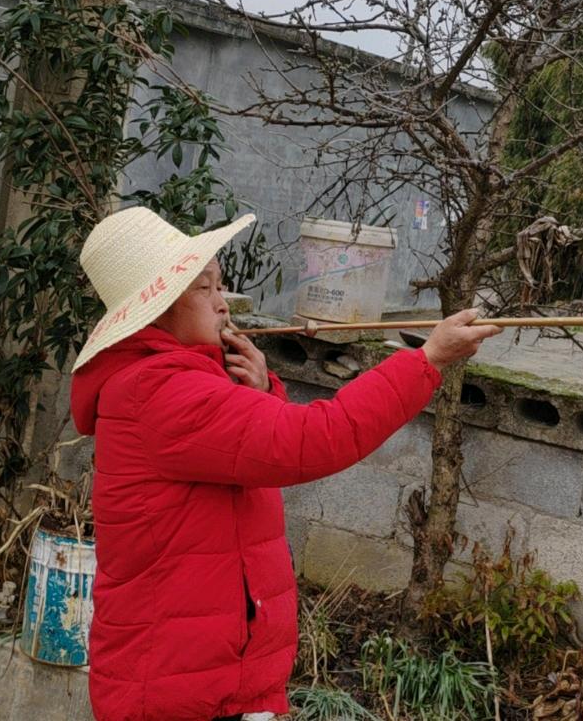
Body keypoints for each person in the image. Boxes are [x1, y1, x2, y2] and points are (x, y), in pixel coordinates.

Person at [70, 206, 498, 721]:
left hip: (211, 679)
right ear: (157, 310)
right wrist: (426, 361)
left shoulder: (178, 384)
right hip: (177, 688)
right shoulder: (158, 391)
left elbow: (251, 455)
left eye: (219, 285)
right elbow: (313, 440)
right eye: (203, 289)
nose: (223, 305)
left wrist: (262, 390)